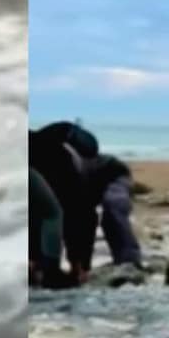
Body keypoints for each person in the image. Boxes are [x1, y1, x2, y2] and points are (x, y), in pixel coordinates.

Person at [29, 121, 143, 282]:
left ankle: (129, 263)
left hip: (112, 175)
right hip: (75, 187)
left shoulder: (58, 164)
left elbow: (83, 218)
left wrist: (80, 265)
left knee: (113, 207)